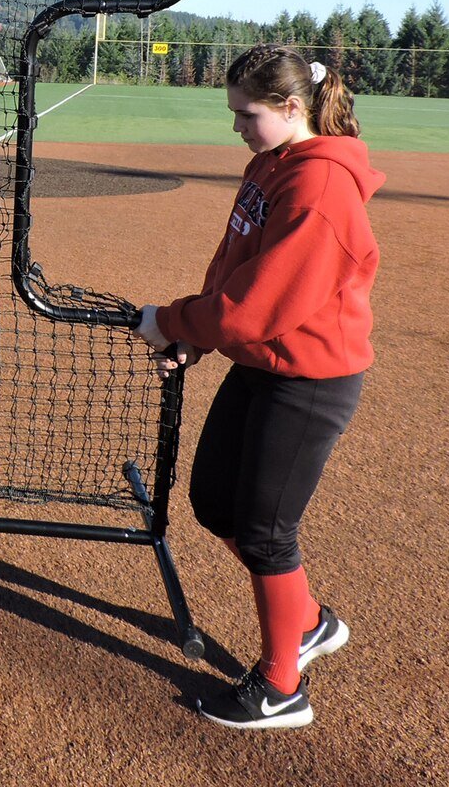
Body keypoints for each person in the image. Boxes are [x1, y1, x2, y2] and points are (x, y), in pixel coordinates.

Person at [135, 43, 384, 730]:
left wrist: (171, 320)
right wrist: (194, 334)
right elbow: (235, 274)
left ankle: (281, 687)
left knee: (268, 534)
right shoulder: (269, 166)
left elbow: (259, 306)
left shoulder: (320, 186)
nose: (238, 126)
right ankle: (308, 621)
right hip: (263, 364)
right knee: (215, 502)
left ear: (290, 108)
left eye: (248, 114)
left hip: (310, 380)